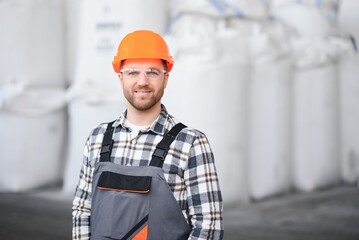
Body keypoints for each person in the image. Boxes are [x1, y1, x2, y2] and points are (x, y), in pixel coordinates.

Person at [72, 30, 223, 240]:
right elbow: (82, 211)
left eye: (152, 72)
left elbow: (208, 227)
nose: (142, 81)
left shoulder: (191, 144)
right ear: (121, 78)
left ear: (166, 78)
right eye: (133, 72)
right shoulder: (97, 139)